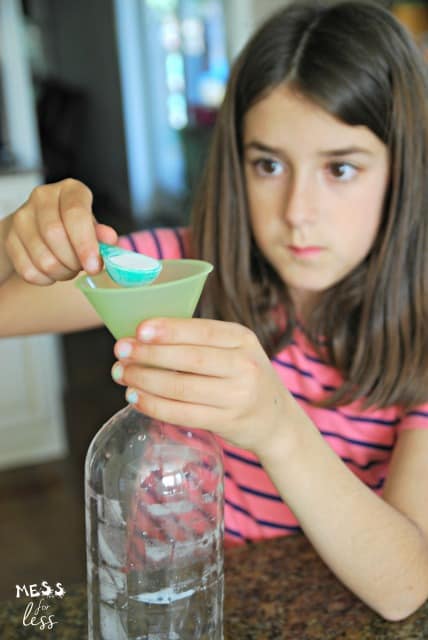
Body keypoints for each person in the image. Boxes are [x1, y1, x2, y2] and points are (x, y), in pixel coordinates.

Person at [1, 0, 427, 622]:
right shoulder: (181, 273)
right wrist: (13, 236)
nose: (297, 211)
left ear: (404, 173)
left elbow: (405, 585)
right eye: (269, 164)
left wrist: (277, 426)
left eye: (340, 168)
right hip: (161, 605)